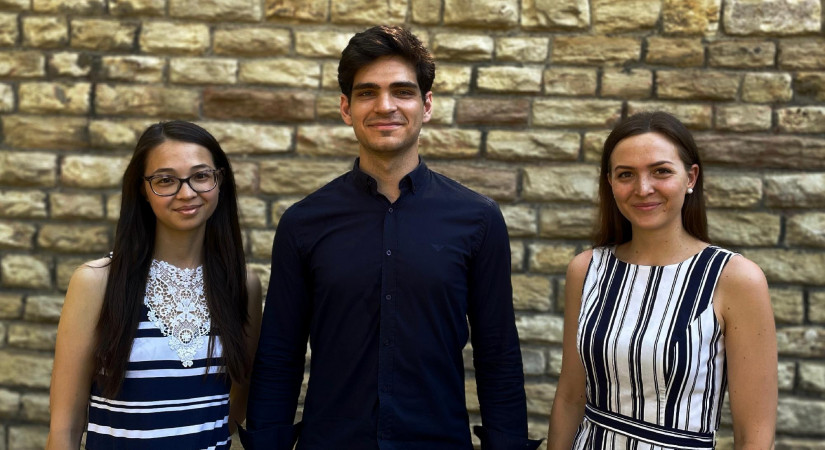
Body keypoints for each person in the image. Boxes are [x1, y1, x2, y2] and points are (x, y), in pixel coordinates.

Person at [240, 25, 540, 450]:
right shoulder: (302, 223)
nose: (385, 106)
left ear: (426, 105)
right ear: (346, 108)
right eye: (367, 93)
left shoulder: (479, 220)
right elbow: (280, 357)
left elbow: (498, 355)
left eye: (402, 91)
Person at [546, 111, 777, 449]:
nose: (643, 188)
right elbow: (569, 397)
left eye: (661, 171)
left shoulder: (734, 279)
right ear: (610, 183)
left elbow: (754, 433)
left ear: (690, 177)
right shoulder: (586, 270)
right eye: (626, 174)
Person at [47, 120, 262, 450]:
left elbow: (235, 405)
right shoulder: (96, 283)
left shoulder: (242, 285)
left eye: (201, 176)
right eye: (166, 180)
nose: (187, 192)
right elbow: (65, 429)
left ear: (220, 181)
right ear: (142, 190)